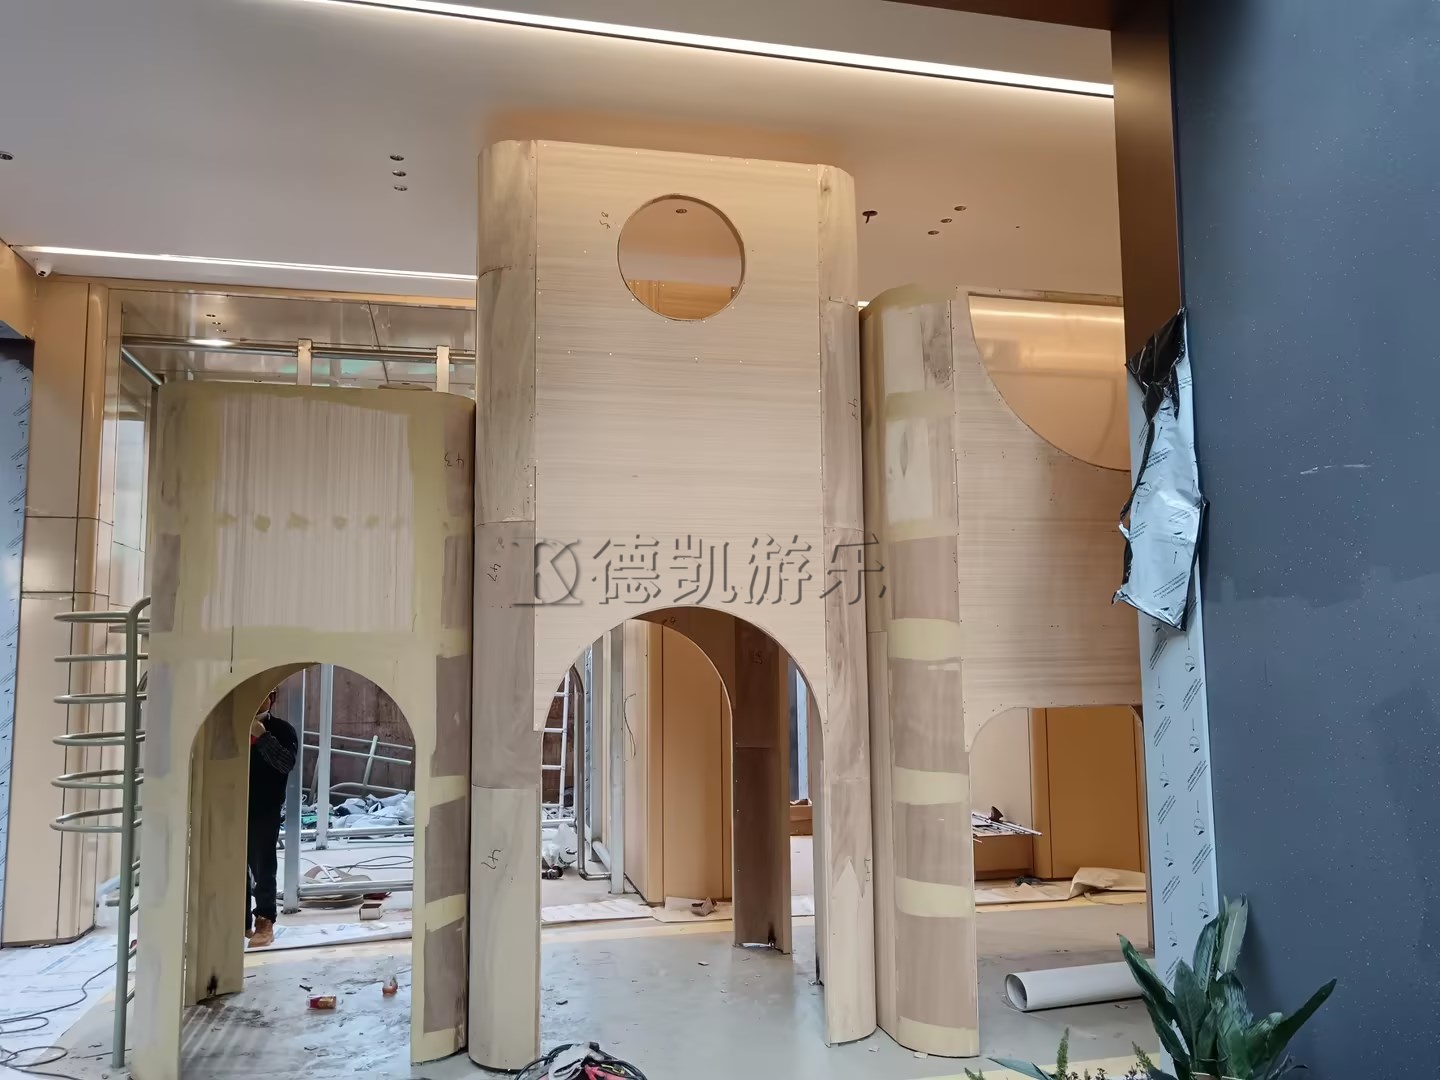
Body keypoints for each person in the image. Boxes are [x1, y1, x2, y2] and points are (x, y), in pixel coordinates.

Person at [247, 689, 298, 948]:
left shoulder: (281, 730)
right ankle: (239, 921)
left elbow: (285, 763)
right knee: (230, 865)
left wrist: (263, 738)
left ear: (272, 698)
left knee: (262, 865)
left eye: (264, 695)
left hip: (264, 807)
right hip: (231, 804)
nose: (257, 700)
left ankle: (265, 919)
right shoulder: (229, 726)